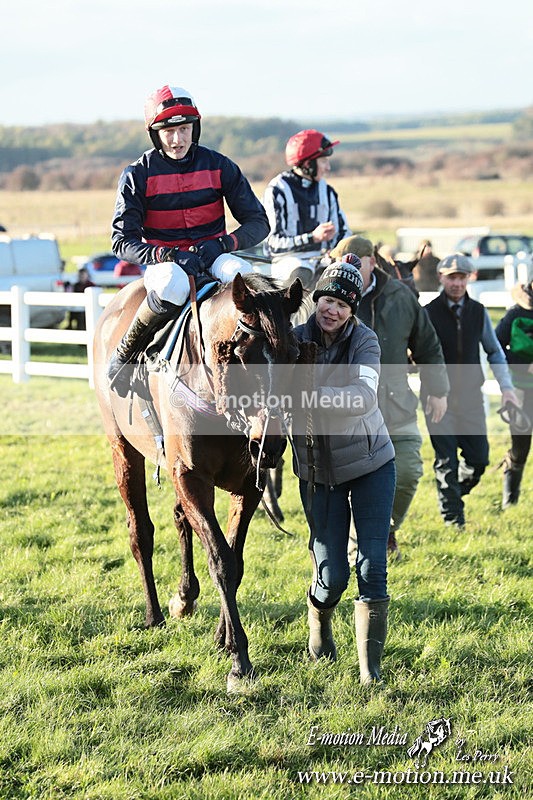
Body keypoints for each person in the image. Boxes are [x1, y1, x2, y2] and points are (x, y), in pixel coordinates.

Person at [108, 84, 269, 395]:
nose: (177, 139)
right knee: (173, 284)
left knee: (248, 280)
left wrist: (224, 245)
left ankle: (270, 363)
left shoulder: (220, 165)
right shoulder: (136, 175)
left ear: (195, 128)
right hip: (166, 265)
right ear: (155, 134)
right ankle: (126, 353)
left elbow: (258, 223)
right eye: (168, 131)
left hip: (214, 255)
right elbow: (121, 241)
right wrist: (167, 255)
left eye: (184, 129)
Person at [291, 256, 396, 684]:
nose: (332, 309)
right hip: (316, 473)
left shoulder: (365, 341)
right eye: (327, 299)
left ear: (353, 310)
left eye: (342, 304)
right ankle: (320, 619)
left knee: (372, 565)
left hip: (372, 463)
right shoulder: (292, 340)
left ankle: (371, 673)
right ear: (317, 299)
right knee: (331, 576)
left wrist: (308, 395)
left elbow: (364, 398)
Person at [330, 235, 449, 558]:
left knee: (409, 472)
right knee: (354, 480)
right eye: (343, 261)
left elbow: (427, 344)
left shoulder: (400, 295)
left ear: (372, 262)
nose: (350, 267)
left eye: (357, 261)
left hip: (396, 404)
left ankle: (382, 530)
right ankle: (364, 542)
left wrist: (437, 390)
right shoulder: (329, 298)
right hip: (347, 410)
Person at [423, 254, 518, 527]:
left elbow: (494, 352)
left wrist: (507, 389)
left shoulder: (478, 311)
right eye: (452, 277)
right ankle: (454, 521)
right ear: (441, 277)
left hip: (471, 399)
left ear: (470, 278)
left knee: (479, 459)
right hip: (437, 398)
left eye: (462, 277)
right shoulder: (428, 313)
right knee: (446, 461)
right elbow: (420, 354)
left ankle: (452, 493)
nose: (457, 283)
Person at [262, 129, 351, 288]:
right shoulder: (277, 190)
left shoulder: (327, 191)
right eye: (324, 161)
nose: (328, 167)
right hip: (289, 262)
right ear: (308, 164)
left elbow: (344, 232)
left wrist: (338, 251)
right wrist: (313, 238)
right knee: (302, 275)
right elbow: (273, 244)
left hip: (325, 260)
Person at [495, 278, 533, 507]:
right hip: (521, 390)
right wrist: (525, 366)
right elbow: (496, 347)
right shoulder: (516, 314)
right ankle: (511, 501)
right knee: (521, 446)